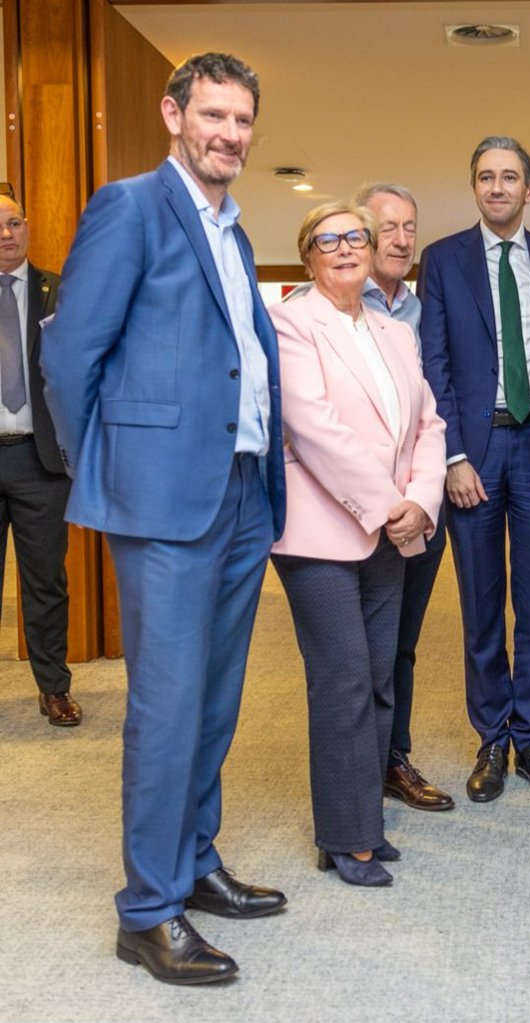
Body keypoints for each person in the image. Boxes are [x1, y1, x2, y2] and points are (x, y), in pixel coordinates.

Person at [41, 53, 288, 985]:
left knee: (217, 700)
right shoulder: (131, 204)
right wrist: (101, 459)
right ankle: (146, 910)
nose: (229, 133)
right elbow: (70, 351)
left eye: (243, 120)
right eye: (213, 115)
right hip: (165, 498)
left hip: (240, 491)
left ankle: (193, 861)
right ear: (174, 114)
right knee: (165, 705)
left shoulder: (230, 227)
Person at [270, 202, 446, 888]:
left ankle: (361, 820)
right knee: (342, 676)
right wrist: (386, 505)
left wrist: (420, 503)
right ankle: (346, 838)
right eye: (327, 239)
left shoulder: (395, 331)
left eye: (356, 237)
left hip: (393, 528)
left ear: (373, 251)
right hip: (319, 532)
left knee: (377, 677)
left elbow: (428, 424)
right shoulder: (292, 319)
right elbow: (311, 427)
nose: (344, 248)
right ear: (309, 255)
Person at [418, 137, 530, 803]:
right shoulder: (444, 260)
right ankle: (492, 735)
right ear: (474, 187)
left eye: (510, 177)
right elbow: (436, 364)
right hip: (473, 457)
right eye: (486, 176)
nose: (497, 187)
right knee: (481, 602)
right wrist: (451, 454)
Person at [354, 182, 455, 812]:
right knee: (356, 648)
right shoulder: (329, 306)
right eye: (386, 227)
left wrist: (424, 496)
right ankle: (355, 766)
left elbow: (434, 412)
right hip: (355, 511)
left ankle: (394, 758)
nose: (400, 240)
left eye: (409, 228)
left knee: (403, 640)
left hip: (420, 504)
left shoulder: (422, 312)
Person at [0, 195, 78, 726]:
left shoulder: (60, 292)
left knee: (45, 583)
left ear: (27, 227)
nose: (5, 234)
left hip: (39, 462)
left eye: (12, 223)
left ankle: (54, 688)